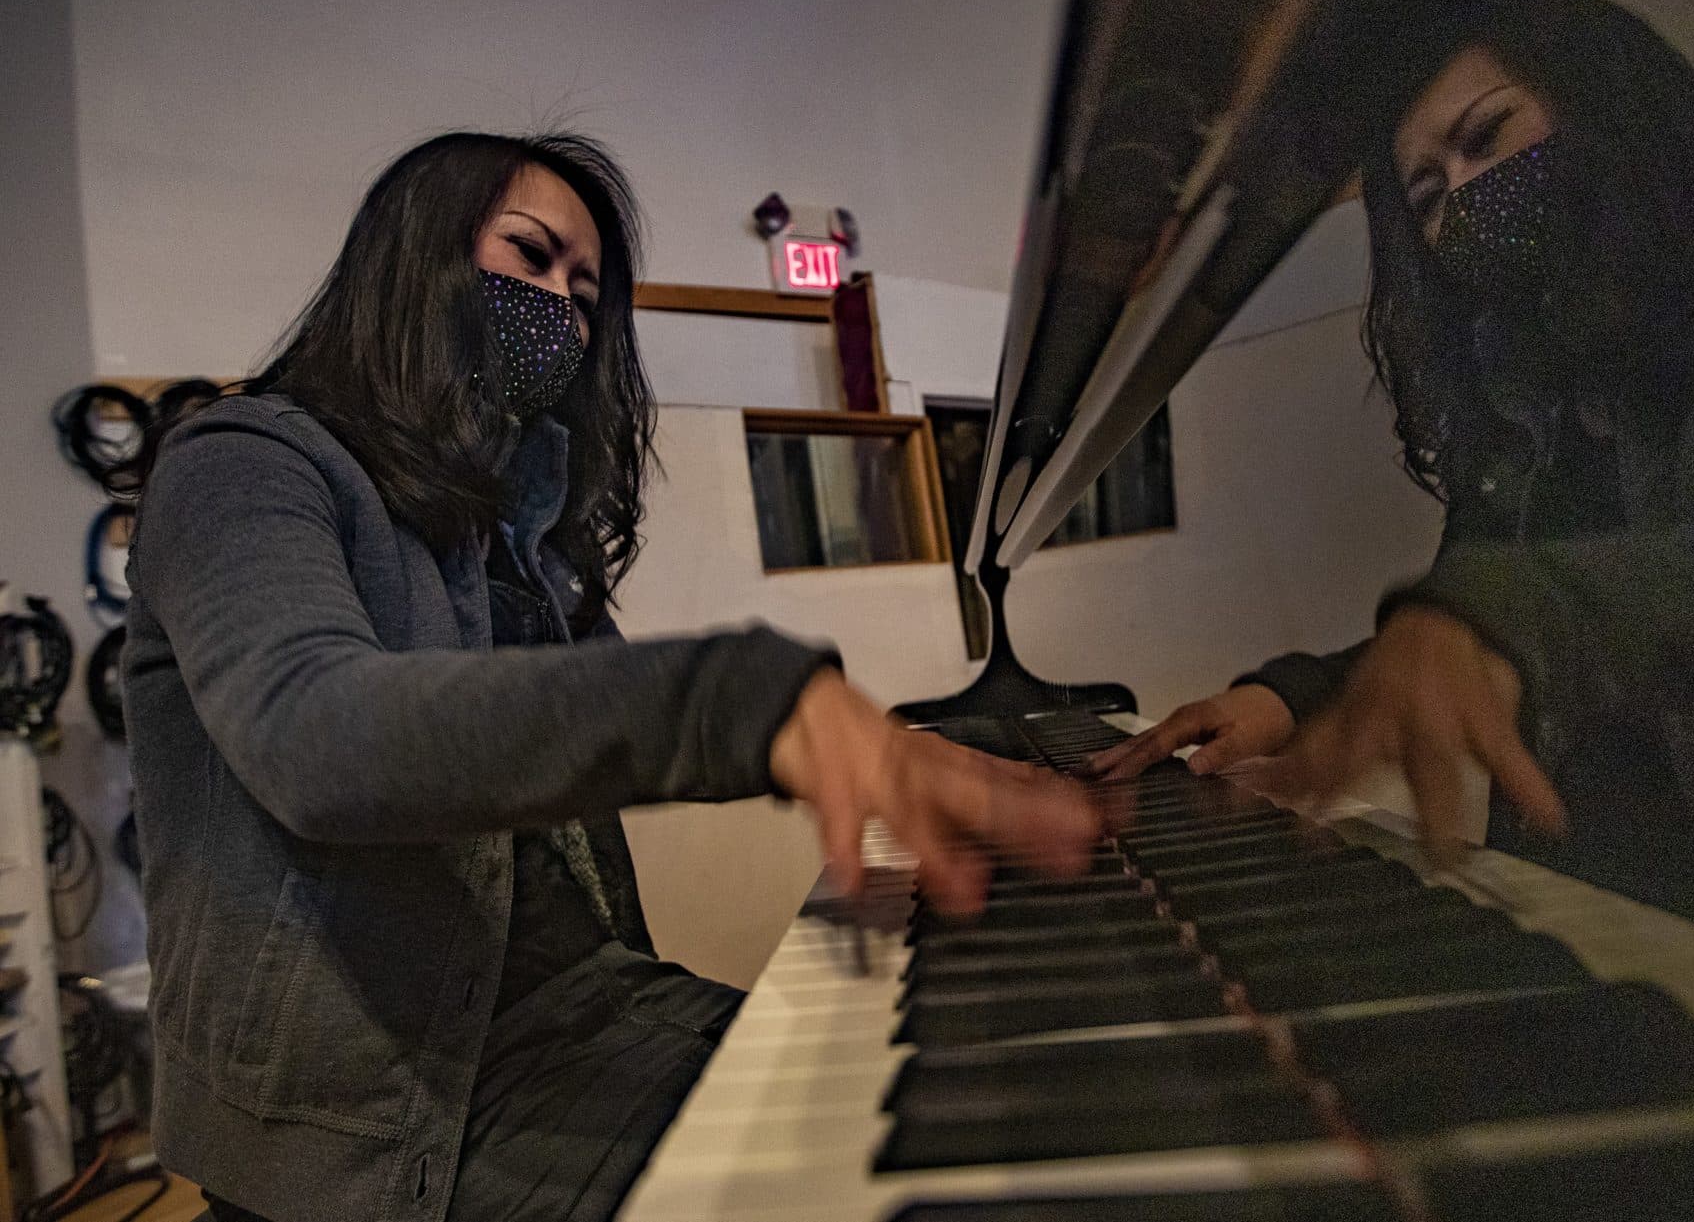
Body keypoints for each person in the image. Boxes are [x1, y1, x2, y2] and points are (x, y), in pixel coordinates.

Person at [121, 131, 1100, 1222]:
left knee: (982, 1113)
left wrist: (884, 753)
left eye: (585, 293)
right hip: (397, 1113)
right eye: (530, 257)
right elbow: (316, 734)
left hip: (590, 1014)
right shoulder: (241, 463)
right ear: (414, 259)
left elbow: (590, 738)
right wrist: (744, 700)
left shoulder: (511, 524)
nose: (565, 313)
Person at [1091, 0, 1694, 1000]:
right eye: (1432, 196)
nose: (1469, 201)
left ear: (1610, 107)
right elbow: (1480, 637)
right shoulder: (1543, 388)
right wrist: (1295, 694)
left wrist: (1521, 613)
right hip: (1627, 956)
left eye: (1488, 137)